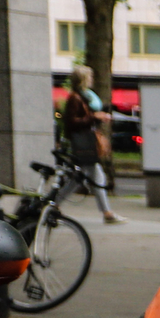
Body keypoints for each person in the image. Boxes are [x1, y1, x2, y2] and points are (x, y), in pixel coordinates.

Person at [57, 66, 123, 223]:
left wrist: (96, 117)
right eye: (90, 77)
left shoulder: (82, 97)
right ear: (83, 80)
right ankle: (107, 213)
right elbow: (72, 122)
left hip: (84, 143)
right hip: (82, 144)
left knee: (83, 177)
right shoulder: (75, 98)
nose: (92, 79)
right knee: (83, 177)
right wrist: (94, 117)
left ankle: (107, 212)